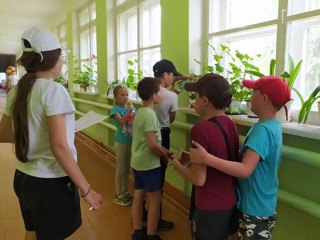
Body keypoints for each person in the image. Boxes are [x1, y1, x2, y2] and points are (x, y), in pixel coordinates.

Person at [0, 27, 103, 240]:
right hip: (50, 184)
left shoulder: (17, 91)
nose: (63, 62)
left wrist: (36, 133)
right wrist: (86, 189)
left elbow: (4, 134)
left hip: (23, 178)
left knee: (33, 233)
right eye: (61, 57)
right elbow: (59, 147)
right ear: (52, 59)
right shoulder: (54, 90)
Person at [189, 75, 291, 240]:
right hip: (260, 204)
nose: (250, 97)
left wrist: (206, 158)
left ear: (264, 98)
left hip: (254, 209)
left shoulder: (262, 131)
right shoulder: (270, 125)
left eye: (254, 93)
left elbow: (245, 170)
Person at [171, 73, 239, 240]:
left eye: (196, 96)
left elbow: (198, 179)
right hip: (228, 201)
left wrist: (177, 164)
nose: (194, 100)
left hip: (208, 205)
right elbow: (219, 153)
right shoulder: (230, 123)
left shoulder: (200, 130)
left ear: (205, 100)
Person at [151, 59, 191, 231]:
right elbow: (172, 118)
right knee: (160, 176)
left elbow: (163, 83)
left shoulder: (147, 89)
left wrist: (181, 77)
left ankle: (147, 212)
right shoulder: (171, 96)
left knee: (151, 173)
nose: (173, 77)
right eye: (171, 74)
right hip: (163, 133)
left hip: (149, 133)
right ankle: (156, 219)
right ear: (166, 75)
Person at [131, 77, 172, 240]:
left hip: (138, 162)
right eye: (159, 92)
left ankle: (138, 232)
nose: (161, 95)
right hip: (149, 165)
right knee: (155, 200)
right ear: (154, 95)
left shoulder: (140, 112)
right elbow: (152, 145)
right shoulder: (150, 115)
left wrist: (165, 150)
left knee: (138, 197)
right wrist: (163, 155)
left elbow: (150, 142)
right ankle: (151, 235)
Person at [110, 85, 136, 206]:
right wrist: (130, 111)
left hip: (131, 141)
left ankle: (125, 191)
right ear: (116, 97)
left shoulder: (129, 108)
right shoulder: (115, 109)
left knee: (127, 168)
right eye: (122, 95)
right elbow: (121, 122)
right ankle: (118, 193)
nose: (125, 97)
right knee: (121, 168)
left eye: (127, 95)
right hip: (121, 141)